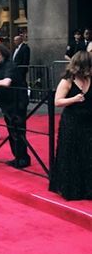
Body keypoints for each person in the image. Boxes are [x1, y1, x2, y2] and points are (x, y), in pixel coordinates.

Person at [50, 51, 92, 200]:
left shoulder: (90, 78)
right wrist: (73, 99)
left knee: (88, 153)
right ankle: (71, 189)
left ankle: (88, 189)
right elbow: (57, 101)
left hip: (88, 122)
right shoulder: (67, 80)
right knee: (71, 153)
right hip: (72, 122)